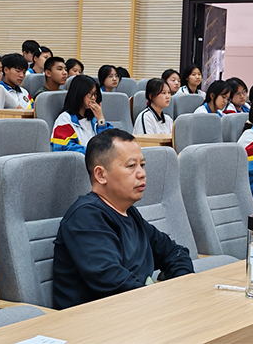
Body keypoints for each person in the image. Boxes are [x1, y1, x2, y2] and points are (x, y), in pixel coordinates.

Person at [53, 129, 194, 309]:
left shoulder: (129, 213)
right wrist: (165, 299)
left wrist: (181, 287)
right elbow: (116, 284)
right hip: (97, 320)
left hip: (138, 311)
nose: (141, 173)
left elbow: (175, 253)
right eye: (131, 166)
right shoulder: (85, 218)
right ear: (100, 175)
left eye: (142, 165)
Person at [51, 75, 113, 154]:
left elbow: (110, 143)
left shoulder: (93, 118)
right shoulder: (65, 119)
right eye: (89, 93)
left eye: (95, 94)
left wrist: (101, 119)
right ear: (79, 94)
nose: (93, 98)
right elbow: (65, 148)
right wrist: (95, 153)